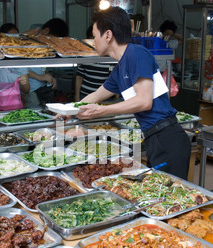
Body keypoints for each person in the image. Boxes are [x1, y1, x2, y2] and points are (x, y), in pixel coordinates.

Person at [56, 7, 191, 179]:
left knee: (172, 199)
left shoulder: (136, 54)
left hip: (168, 138)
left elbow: (144, 102)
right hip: (153, 138)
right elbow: (96, 95)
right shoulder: (119, 69)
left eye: (95, 35)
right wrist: (70, 111)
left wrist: (101, 111)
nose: (93, 41)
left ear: (108, 35)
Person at [74, 25, 117, 101]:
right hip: (85, 95)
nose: (93, 42)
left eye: (95, 38)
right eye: (91, 38)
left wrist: (117, 99)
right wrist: (77, 96)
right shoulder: (85, 56)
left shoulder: (111, 57)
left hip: (104, 97)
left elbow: (116, 79)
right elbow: (79, 77)